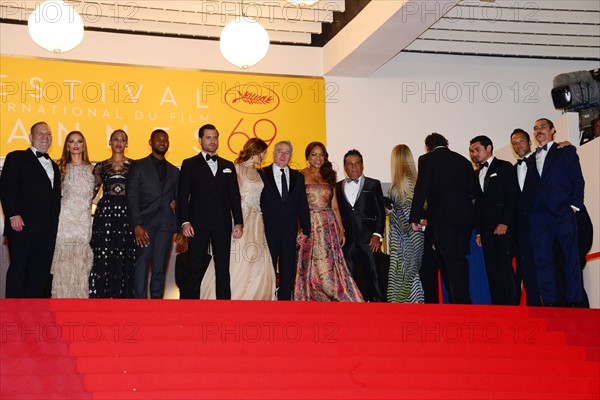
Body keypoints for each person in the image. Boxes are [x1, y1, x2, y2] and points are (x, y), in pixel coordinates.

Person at [201, 138, 276, 300]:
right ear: (255, 151)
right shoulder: (234, 168)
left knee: (257, 257)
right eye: (263, 153)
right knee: (237, 257)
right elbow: (224, 194)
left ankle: (255, 295)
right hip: (239, 218)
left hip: (257, 220)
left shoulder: (260, 172)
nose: (264, 156)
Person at [409, 133, 478, 304]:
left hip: (442, 218)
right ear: (446, 143)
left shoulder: (427, 159)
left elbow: (421, 188)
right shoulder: (463, 161)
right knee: (459, 258)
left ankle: (459, 301)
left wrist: (414, 217)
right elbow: (474, 190)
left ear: (428, 147)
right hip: (464, 218)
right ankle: (463, 298)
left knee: (449, 258)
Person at [178, 124, 243, 300]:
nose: (212, 141)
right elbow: (182, 196)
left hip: (222, 223)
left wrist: (238, 221)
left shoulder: (228, 165)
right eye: (208, 137)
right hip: (197, 224)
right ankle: (191, 307)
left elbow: (234, 197)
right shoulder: (189, 164)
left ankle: (224, 308)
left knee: (223, 267)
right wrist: (184, 222)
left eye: (215, 137)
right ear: (200, 140)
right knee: (195, 265)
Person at [293, 141, 363, 302]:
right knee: (309, 262)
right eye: (314, 154)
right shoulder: (299, 175)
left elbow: (335, 206)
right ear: (307, 157)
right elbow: (297, 205)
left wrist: (341, 229)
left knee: (329, 262)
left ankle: (331, 292)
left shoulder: (329, 175)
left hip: (328, 224)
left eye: (321, 154)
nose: (318, 158)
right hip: (308, 223)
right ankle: (310, 294)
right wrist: (299, 228)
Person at [527, 118, 585, 307]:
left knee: (570, 257)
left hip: (562, 212)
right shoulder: (531, 158)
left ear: (552, 130)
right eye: (535, 129)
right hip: (538, 216)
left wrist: (575, 206)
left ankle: (574, 299)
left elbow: (578, 179)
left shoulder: (565, 151)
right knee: (542, 258)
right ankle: (550, 301)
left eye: (543, 127)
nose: (538, 131)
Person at [0, 121, 61, 298]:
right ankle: (12, 315)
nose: (45, 137)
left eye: (48, 134)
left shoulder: (55, 166)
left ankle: (33, 314)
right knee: (19, 269)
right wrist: (13, 214)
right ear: (30, 137)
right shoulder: (16, 157)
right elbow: (6, 188)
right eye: (40, 133)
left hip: (48, 229)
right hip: (23, 226)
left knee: (41, 272)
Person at [127, 129, 179, 299]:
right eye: (158, 139)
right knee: (142, 263)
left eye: (165, 139)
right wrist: (137, 225)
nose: (162, 142)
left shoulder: (174, 171)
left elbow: (178, 198)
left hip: (166, 224)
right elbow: (132, 196)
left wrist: (176, 209)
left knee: (159, 265)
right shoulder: (138, 165)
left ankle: (157, 304)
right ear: (150, 142)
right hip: (144, 224)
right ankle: (139, 303)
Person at [469, 135, 519, 305]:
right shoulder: (476, 174)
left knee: (504, 266)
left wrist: (505, 222)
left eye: (477, 150)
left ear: (489, 148)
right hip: (486, 230)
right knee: (491, 268)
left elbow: (513, 196)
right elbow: (478, 206)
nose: (474, 154)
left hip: (503, 226)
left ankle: (512, 305)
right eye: (472, 151)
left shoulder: (504, 167)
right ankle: (498, 306)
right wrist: (479, 232)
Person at [259, 140, 311, 300]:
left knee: (288, 271)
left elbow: (302, 204)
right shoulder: (261, 174)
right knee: (267, 270)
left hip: (290, 232)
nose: (283, 155)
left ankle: (284, 306)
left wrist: (306, 230)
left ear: (291, 156)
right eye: (279, 151)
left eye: (287, 152)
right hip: (267, 231)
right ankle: (267, 301)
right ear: (273, 154)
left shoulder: (298, 177)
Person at [89, 129, 136, 298]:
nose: (118, 142)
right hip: (105, 215)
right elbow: (91, 193)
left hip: (127, 214)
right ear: (109, 142)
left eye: (122, 140)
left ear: (127, 144)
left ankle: (123, 297)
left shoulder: (135, 165)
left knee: (125, 254)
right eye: (115, 139)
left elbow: (142, 192)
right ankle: (102, 296)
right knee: (103, 253)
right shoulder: (101, 166)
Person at [335, 149, 386, 302]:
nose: (354, 167)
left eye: (357, 164)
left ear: (362, 166)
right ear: (345, 167)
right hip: (348, 242)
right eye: (350, 164)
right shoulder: (337, 187)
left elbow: (380, 213)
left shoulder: (373, 184)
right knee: (350, 278)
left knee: (374, 277)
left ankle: (379, 308)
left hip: (369, 241)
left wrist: (377, 235)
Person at [50, 131, 95, 298]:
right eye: (72, 141)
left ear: (84, 145)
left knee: (80, 264)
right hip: (65, 221)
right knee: (64, 263)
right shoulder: (60, 167)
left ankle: (79, 306)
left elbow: (94, 196)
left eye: (79, 141)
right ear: (67, 146)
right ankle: (60, 303)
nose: (76, 145)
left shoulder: (92, 169)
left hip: (83, 222)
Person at [387, 144, 425, 303]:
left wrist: (392, 212)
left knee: (403, 277)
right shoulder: (414, 182)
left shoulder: (402, 184)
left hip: (405, 240)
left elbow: (407, 217)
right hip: (413, 237)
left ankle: (407, 312)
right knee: (411, 275)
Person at [510, 128, 541, 306]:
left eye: (521, 141)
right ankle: (533, 307)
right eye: (514, 143)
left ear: (530, 142)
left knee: (546, 265)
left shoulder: (542, 160)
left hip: (542, 224)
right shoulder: (512, 170)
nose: (518, 145)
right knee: (527, 268)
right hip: (522, 228)